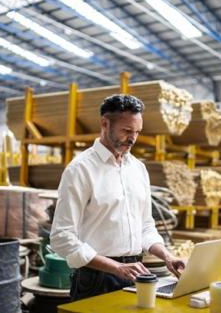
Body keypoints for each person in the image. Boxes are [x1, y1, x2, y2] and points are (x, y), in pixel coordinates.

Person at [50, 94, 185, 301]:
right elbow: (61, 237)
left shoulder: (138, 169)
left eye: (137, 132)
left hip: (134, 274)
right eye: (127, 130)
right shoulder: (80, 170)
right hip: (96, 279)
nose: (133, 138)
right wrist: (116, 267)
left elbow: (146, 227)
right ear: (105, 123)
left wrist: (167, 256)